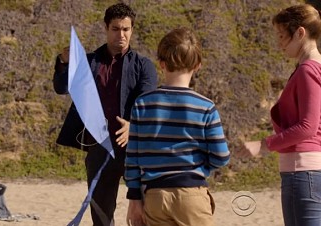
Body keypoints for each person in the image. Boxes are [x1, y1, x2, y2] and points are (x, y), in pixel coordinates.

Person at [52, 3, 158, 226]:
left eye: (126, 29)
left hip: (135, 149)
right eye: (116, 29)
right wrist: (63, 62)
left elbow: (147, 102)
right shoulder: (89, 62)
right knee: (101, 217)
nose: (121, 35)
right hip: (99, 148)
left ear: (132, 30)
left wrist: (133, 125)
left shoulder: (144, 65)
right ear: (106, 28)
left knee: (146, 215)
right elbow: (61, 87)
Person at [124, 27, 230, 226]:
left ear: (161, 63)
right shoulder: (206, 107)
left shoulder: (142, 103)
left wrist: (134, 199)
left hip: (155, 196)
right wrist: (200, 169)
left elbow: (132, 159)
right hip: (192, 195)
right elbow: (221, 157)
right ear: (198, 65)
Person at [238, 4, 321, 226]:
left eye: (282, 36)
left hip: (303, 172)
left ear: (300, 33)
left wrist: (263, 144)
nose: (279, 44)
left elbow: (308, 127)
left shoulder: (307, 70)